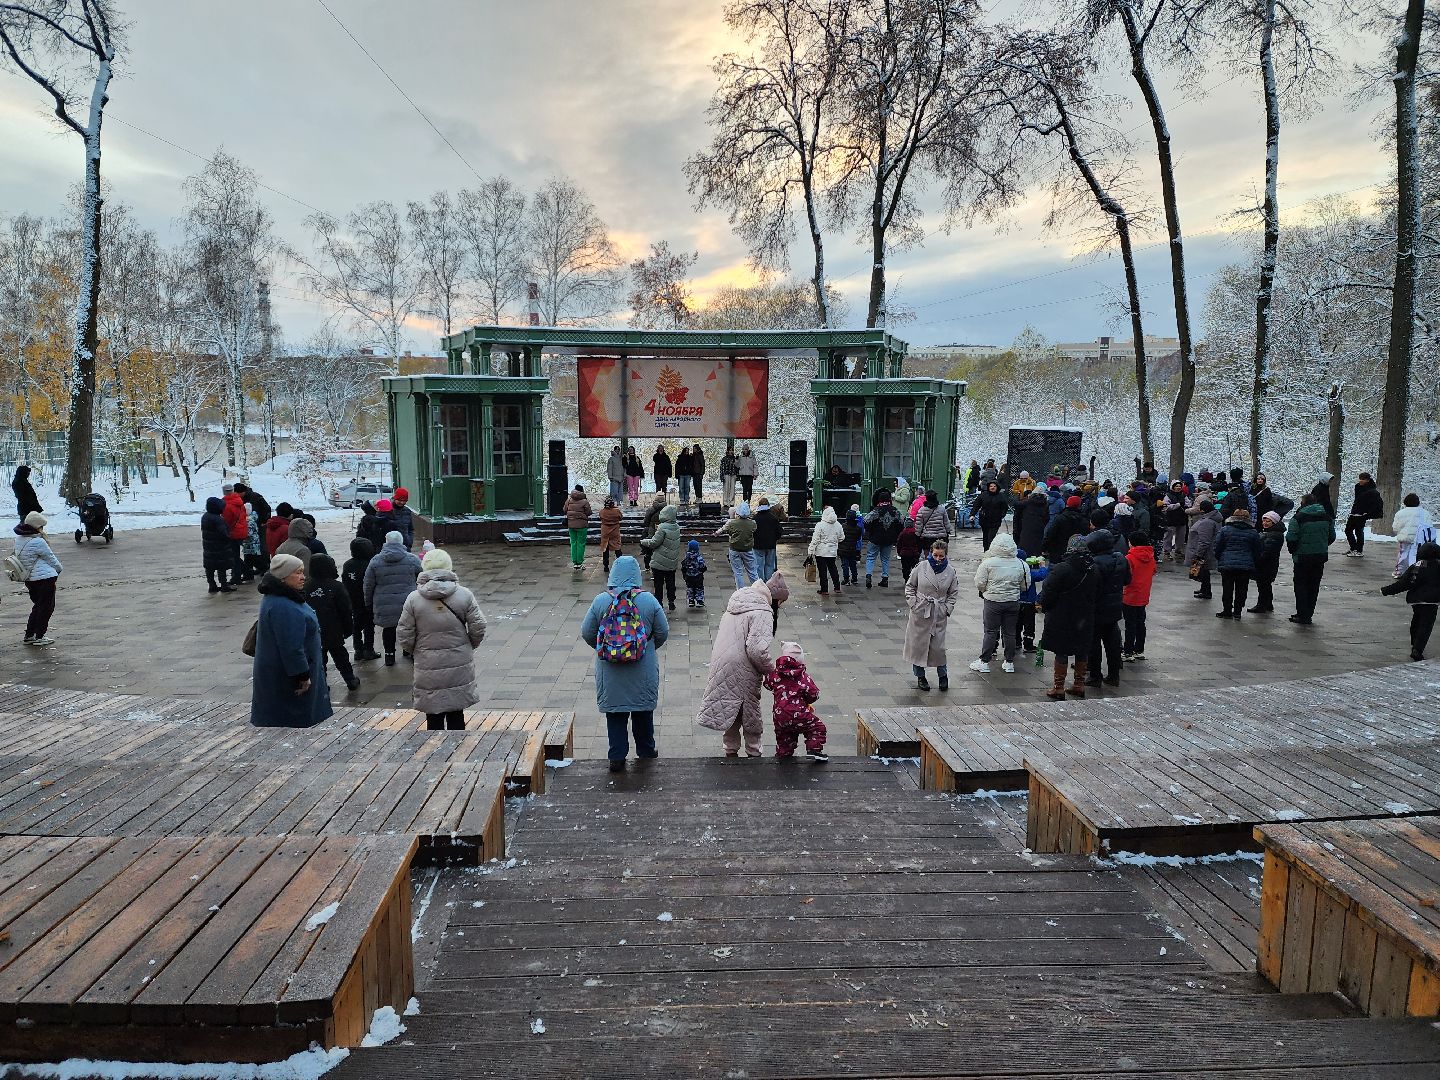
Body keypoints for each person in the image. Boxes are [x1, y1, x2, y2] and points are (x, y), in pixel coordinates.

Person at [581, 555, 669, 770]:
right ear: (636, 575)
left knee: (616, 715)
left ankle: (617, 757)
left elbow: (587, 633)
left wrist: (607, 650)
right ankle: (646, 753)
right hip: (642, 668)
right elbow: (663, 632)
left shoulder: (601, 601)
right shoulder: (648, 600)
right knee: (642, 713)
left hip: (610, 670)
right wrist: (645, 649)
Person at [697, 571, 789, 756]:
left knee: (731, 707)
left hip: (722, 663)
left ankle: (730, 751)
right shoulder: (763, 611)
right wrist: (771, 670)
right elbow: (757, 649)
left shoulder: (738, 602)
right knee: (749, 712)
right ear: (775, 598)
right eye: (780, 602)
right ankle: (754, 753)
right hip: (743, 667)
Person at [397, 548, 487, 730]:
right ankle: (458, 749)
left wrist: (415, 650)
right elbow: (479, 626)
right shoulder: (464, 594)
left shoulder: (414, 599)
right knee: (456, 712)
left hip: (427, 661)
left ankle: (434, 751)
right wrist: (469, 644)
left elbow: (404, 632)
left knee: (433, 713)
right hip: (458, 658)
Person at [250, 553, 332, 728]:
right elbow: (291, 647)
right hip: (287, 680)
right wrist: (302, 676)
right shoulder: (285, 606)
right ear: (283, 577)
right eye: (297, 573)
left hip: (279, 673)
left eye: (302, 572)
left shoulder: (279, 597)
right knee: (291, 722)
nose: (303, 577)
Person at [1039, 534, 1099, 699]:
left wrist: (1044, 606)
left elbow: (1048, 591)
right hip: (1084, 616)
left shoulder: (1062, 568)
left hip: (1062, 615)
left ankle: (1058, 687)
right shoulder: (1093, 568)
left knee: (1062, 650)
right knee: (1082, 650)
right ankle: (1079, 684)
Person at [904, 539, 959, 691]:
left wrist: (947, 608)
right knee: (917, 646)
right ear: (930, 553)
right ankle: (920, 677)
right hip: (920, 611)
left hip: (938, 612)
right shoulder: (921, 567)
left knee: (938, 648)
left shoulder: (951, 571)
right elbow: (910, 586)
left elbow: (953, 593)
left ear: (946, 555)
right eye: (935, 555)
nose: (938, 559)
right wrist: (913, 604)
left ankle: (943, 676)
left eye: (941, 556)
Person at [971, 533, 1029, 674]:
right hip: (1013, 602)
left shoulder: (988, 563)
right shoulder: (1021, 564)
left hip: (993, 601)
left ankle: (984, 661)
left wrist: (987, 591)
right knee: (1010, 632)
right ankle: (1009, 662)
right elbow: (1025, 586)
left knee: (990, 631)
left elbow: (979, 583)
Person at [364, 530, 422, 665]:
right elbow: (422, 577)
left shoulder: (375, 561)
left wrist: (368, 602)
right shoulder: (412, 559)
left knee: (388, 628)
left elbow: (368, 585)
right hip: (408, 602)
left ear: (386, 541)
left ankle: (389, 655)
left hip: (384, 603)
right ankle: (409, 651)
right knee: (409, 628)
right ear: (401, 542)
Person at [304, 553, 359, 692]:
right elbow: (345, 610)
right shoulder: (336, 586)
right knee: (340, 655)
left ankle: (321, 683)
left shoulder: (306, 587)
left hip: (314, 630)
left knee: (318, 658)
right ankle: (350, 679)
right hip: (333, 628)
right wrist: (348, 628)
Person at [764, 641, 828, 762]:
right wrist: (807, 701)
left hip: (780, 715)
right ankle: (814, 750)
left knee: (784, 736)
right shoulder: (802, 676)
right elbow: (813, 693)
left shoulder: (775, 674)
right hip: (798, 713)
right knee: (817, 727)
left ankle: (783, 755)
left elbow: (767, 684)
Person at [1084, 526, 1130, 686]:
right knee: (1113, 643)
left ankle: (1095, 676)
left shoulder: (1094, 563)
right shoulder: (1121, 559)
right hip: (1115, 607)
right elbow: (1127, 580)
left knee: (1094, 644)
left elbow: (1090, 587)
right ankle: (1113, 675)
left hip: (1096, 609)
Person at [1382, 541, 1440, 661]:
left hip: (1416, 601)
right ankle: (1417, 650)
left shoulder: (1417, 566)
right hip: (1432, 601)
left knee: (1416, 620)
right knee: (1426, 625)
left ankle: (1414, 643)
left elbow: (1404, 583)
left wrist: (1386, 590)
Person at [13, 511, 61, 646]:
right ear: (37, 526)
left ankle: (29, 635)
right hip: (45, 578)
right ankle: (40, 635)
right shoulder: (38, 541)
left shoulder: (18, 539)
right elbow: (52, 559)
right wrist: (59, 569)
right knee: (46, 607)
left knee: (38, 606)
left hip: (29, 579)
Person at [1286, 493, 1335, 625]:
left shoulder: (1298, 518)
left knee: (1301, 585)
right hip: (1320, 556)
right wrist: (1322, 545)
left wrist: (1294, 550)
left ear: (1303, 504)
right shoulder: (1327, 517)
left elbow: (1291, 538)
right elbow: (1332, 536)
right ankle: (1308, 613)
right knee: (1314, 586)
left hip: (1302, 557)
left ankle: (1302, 614)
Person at [1214, 508, 1262, 619]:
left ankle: (1227, 610)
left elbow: (1218, 546)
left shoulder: (1225, 530)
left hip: (1227, 563)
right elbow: (1258, 550)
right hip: (1245, 565)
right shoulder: (1253, 532)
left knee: (1227, 588)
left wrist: (1220, 557)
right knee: (1242, 589)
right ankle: (1237, 611)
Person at [343, 536, 380, 661]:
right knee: (369, 626)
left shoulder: (348, 564)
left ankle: (358, 650)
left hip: (352, 600)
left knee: (356, 626)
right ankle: (369, 649)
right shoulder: (369, 564)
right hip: (367, 600)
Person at [1121, 531, 1156, 662]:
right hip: (1143, 594)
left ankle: (1128, 651)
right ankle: (1139, 649)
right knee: (1140, 623)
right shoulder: (1151, 556)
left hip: (1129, 595)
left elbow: (1126, 577)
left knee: (1129, 624)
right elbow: (1153, 571)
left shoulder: (1129, 558)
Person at [640, 504, 682, 611]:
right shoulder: (677, 527)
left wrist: (644, 541)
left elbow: (654, 542)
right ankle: (671, 601)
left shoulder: (662, 527)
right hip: (671, 561)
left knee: (658, 584)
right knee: (670, 582)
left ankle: (659, 603)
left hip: (659, 561)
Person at [863, 490, 904, 588]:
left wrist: (870, 531)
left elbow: (866, 521)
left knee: (871, 557)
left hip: (875, 538)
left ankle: (869, 575)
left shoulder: (876, 511)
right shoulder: (895, 511)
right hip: (889, 539)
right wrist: (895, 533)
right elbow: (902, 522)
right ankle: (885, 578)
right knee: (885, 559)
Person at [716, 502, 759, 590]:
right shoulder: (753, 523)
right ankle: (757, 590)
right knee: (752, 572)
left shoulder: (732, 523)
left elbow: (729, 532)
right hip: (748, 550)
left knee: (738, 572)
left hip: (734, 549)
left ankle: (740, 591)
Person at [1185, 498, 1222, 600]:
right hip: (1207, 550)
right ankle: (1204, 589)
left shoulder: (1207, 522)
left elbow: (1204, 540)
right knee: (1204, 571)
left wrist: (1198, 554)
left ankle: (1206, 591)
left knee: (1204, 570)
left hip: (1203, 551)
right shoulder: (1213, 519)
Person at [1249, 511, 1285, 614]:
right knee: (1266, 584)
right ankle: (1268, 604)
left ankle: (1261, 605)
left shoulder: (1273, 535)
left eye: (1268, 521)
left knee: (1263, 585)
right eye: (1264, 520)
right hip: (1268, 564)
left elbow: (1267, 551)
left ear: (1274, 522)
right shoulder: (1270, 532)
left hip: (1266, 564)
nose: (1265, 523)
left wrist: (1257, 559)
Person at [201, 496, 236, 594]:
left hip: (208, 547)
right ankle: (224, 586)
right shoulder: (218, 519)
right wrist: (229, 538)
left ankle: (212, 585)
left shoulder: (205, 516)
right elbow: (224, 534)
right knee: (221, 567)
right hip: (220, 547)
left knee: (210, 567)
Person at [1344, 472, 1384, 557]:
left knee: (1359, 532)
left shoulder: (1372, 491)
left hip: (1362, 514)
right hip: (1354, 512)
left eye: (1363, 479)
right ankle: (1353, 548)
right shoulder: (1358, 487)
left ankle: (1359, 550)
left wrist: (1368, 513)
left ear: (1367, 480)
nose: (1361, 481)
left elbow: (1376, 504)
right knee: (1348, 530)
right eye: (1360, 479)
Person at [808, 505, 845, 596]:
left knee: (822, 570)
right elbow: (842, 538)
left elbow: (815, 540)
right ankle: (837, 587)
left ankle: (824, 589)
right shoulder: (838, 525)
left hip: (821, 551)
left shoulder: (820, 525)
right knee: (833, 568)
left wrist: (811, 550)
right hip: (832, 551)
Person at [1392, 493, 1433, 577]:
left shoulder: (1400, 513)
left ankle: (1399, 572)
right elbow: (1429, 526)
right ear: (1418, 502)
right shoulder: (1425, 513)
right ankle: (1415, 573)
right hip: (1420, 539)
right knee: (1417, 557)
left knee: (1402, 556)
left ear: (1405, 502)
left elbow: (1395, 528)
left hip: (1405, 538)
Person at [1017, 549, 1047, 654]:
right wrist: (1042, 565)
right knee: (1029, 625)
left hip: (1016, 602)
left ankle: (1016, 643)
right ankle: (1028, 645)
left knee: (1017, 624)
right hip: (1029, 603)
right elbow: (1042, 575)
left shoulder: (1013, 571)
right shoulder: (1029, 572)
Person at [1043, 495, 1088, 564]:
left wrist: (1044, 547)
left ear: (1067, 504)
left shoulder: (1060, 518)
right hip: (1076, 555)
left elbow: (1050, 534)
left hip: (1057, 553)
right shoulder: (1083, 520)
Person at [222, 485, 250, 584]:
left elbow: (227, 521)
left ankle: (237, 577)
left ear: (224, 492)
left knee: (233, 556)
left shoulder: (226, 504)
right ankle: (246, 572)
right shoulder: (238, 500)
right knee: (235, 554)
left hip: (232, 532)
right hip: (241, 530)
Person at [1013, 489, 1049, 561]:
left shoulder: (1028, 503)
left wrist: (1017, 496)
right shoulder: (1045, 504)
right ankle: (1035, 564)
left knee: (1025, 547)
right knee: (1036, 549)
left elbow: (1016, 504)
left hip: (1027, 529)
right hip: (1039, 530)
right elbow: (1047, 518)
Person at [563, 485, 592, 569]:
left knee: (573, 543)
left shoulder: (569, 500)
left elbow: (564, 510)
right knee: (581, 544)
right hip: (582, 525)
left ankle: (574, 562)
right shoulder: (584, 501)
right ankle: (579, 562)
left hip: (571, 524)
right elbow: (589, 512)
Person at [753, 498, 782, 581]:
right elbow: (779, 531)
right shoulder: (773, 518)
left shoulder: (755, 518)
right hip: (771, 545)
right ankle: (769, 582)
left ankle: (760, 583)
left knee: (759, 565)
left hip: (758, 545)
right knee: (769, 565)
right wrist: (775, 539)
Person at [1161, 482, 1190, 564]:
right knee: (1168, 536)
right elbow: (1166, 506)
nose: (1178, 487)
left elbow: (1189, 503)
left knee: (1181, 536)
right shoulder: (1168, 495)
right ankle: (1167, 552)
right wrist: (1177, 505)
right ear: (1173, 487)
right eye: (1176, 486)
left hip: (1182, 518)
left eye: (1179, 486)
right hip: (1171, 519)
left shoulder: (1183, 495)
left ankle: (1178, 551)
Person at [641, 492, 666, 570]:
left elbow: (646, 522)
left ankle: (647, 565)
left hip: (651, 531)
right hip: (664, 530)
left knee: (649, 548)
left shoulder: (651, 509)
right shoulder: (668, 510)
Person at [839, 506, 863, 586]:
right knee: (853, 564)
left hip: (843, 549)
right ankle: (854, 578)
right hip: (853, 548)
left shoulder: (843, 527)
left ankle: (846, 579)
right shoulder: (858, 528)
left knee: (845, 564)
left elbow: (840, 537)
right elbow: (858, 538)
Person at [599, 496, 624, 573]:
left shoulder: (602, 512)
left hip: (605, 531)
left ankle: (606, 566)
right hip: (615, 531)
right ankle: (620, 563)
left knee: (605, 548)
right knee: (617, 546)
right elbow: (620, 518)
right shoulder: (616, 511)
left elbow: (600, 518)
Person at [682, 539, 707, 608]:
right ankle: (699, 600)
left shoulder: (686, 557)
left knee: (690, 588)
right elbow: (702, 566)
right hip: (698, 576)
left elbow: (684, 566)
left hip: (689, 576)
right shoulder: (699, 558)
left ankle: (691, 600)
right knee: (699, 588)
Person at [896, 520, 923, 585]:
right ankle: (914, 580)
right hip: (914, 553)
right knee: (915, 568)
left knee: (905, 568)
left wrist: (899, 552)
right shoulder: (916, 534)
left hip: (904, 554)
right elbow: (919, 543)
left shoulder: (902, 533)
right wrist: (919, 552)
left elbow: (899, 544)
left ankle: (907, 579)